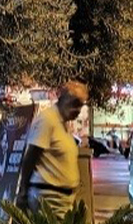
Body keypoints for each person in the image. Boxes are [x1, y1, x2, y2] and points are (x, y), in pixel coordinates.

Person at [16, 81, 88, 217]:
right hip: (49, 201)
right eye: (75, 103)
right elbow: (30, 157)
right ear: (63, 99)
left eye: (81, 105)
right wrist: (23, 191)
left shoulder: (63, 124)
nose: (78, 110)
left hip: (63, 201)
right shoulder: (47, 120)